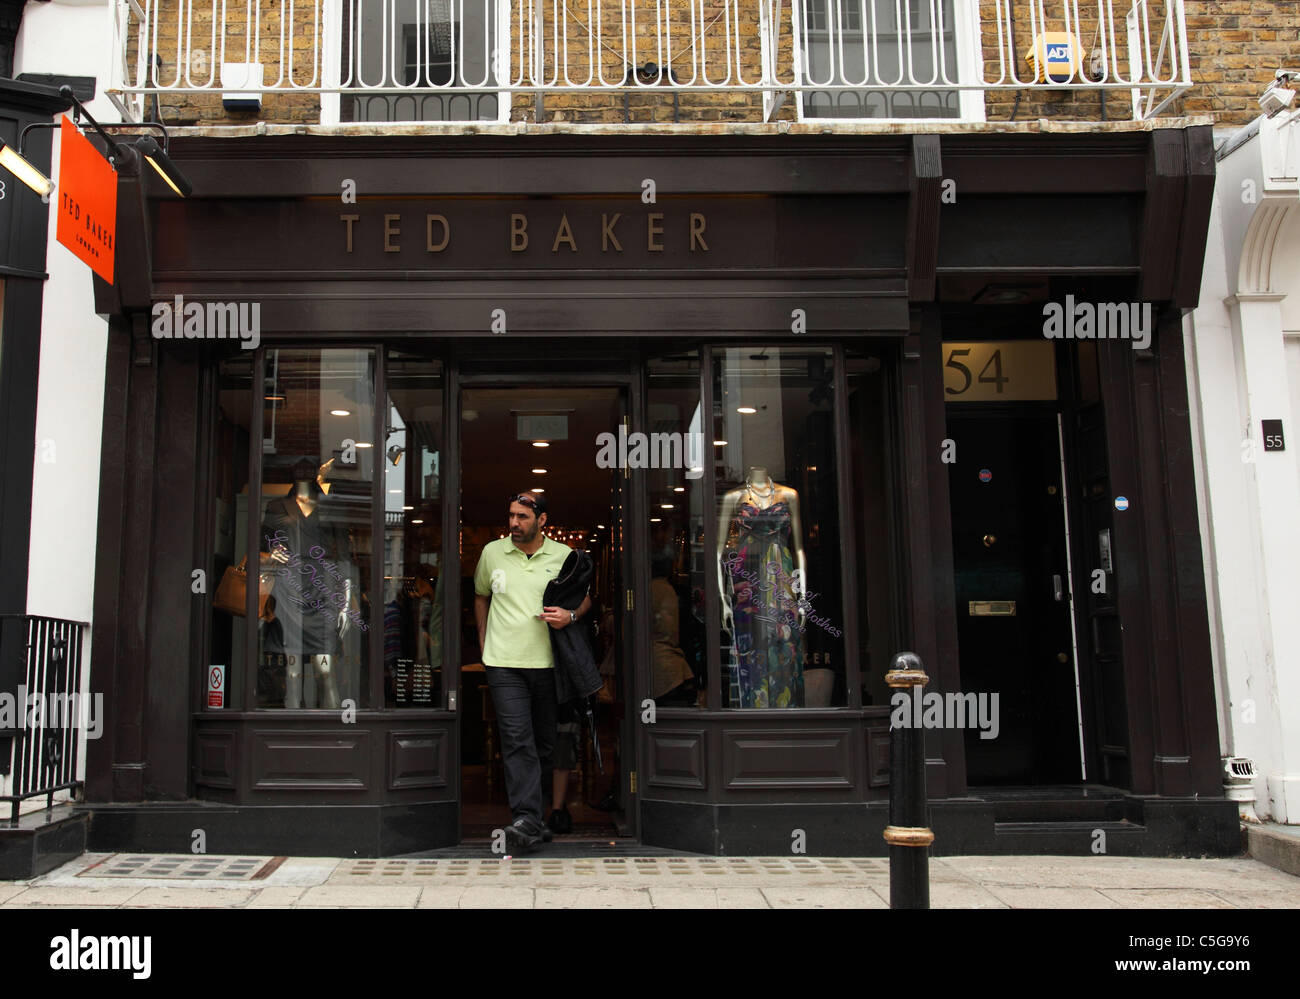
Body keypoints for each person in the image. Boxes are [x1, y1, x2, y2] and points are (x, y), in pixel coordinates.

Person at [474, 492, 591, 853]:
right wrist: (483, 643)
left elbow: (585, 596)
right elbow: (480, 596)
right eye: (511, 515)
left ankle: (534, 820)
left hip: (548, 664)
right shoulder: (492, 552)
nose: (514, 523)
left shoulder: (562, 556)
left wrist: (570, 616)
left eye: (522, 516)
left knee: (543, 743)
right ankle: (524, 816)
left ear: (542, 521)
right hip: (504, 663)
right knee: (516, 739)